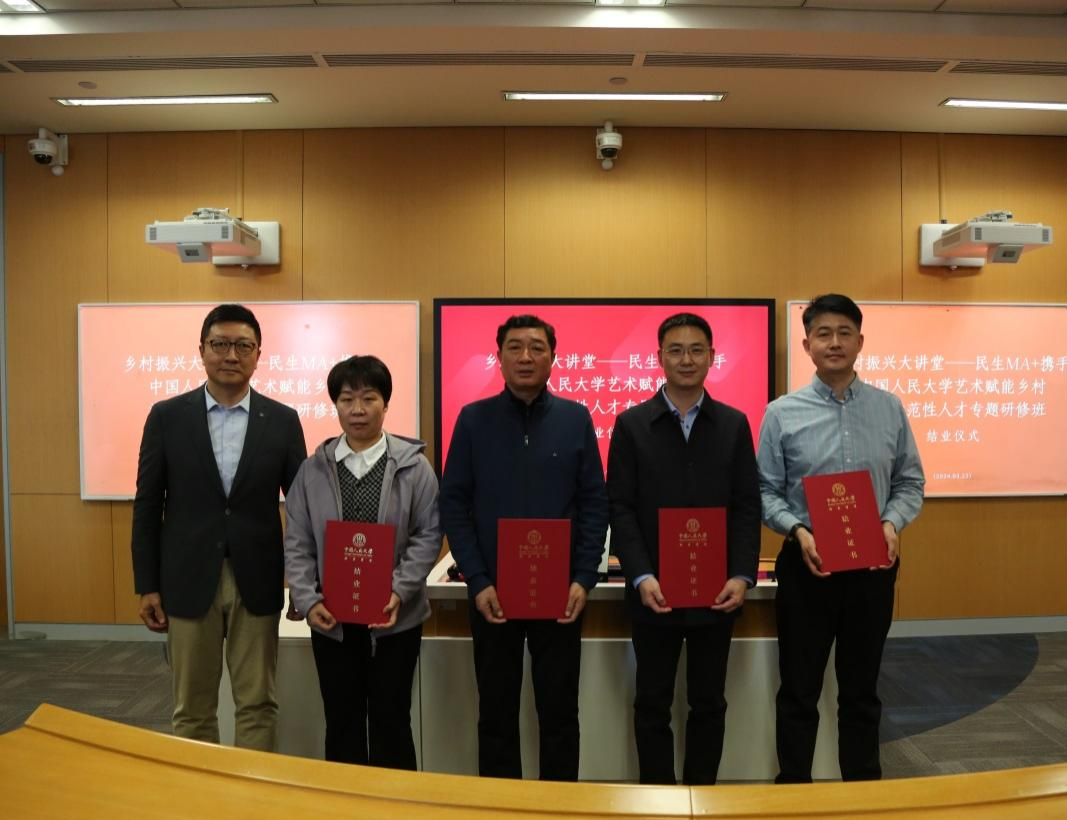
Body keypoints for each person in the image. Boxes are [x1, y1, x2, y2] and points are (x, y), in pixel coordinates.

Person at [757, 293, 925, 783]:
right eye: (823, 334)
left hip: (873, 569)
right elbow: (764, 490)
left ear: (860, 342)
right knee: (798, 690)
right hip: (807, 568)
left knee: (861, 690)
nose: (834, 342)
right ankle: (794, 790)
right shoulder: (781, 413)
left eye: (844, 333)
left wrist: (891, 523)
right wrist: (798, 529)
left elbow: (910, 482)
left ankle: (862, 790)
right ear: (807, 344)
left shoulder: (889, 409)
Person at [439, 314, 609, 781]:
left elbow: (594, 502)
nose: (526, 357)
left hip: (561, 595)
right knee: (495, 713)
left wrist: (583, 578)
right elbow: (454, 503)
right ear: (499, 357)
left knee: (560, 712)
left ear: (554, 357)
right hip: (492, 594)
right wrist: (477, 580)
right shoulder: (473, 420)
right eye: (515, 347)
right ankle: (502, 810)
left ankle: (560, 808)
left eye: (537, 347)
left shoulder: (575, 418)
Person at [131, 303, 307, 751]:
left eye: (243, 346)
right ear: (202, 350)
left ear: (258, 354)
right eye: (221, 344)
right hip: (187, 578)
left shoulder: (283, 420)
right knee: (191, 707)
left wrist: (305, 583)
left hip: (258, 579)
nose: (231, 355)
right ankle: (200, 792)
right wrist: (147, 585)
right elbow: (147, 505)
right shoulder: (167, 417)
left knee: (258, 703)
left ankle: (252, 790)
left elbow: (302, 509)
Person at [607, 312, 762, 786]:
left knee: (709, 703)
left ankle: (702, 796)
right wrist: (640, 575)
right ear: (659, 358)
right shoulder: (632, 425)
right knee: (651, 703)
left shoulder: (733, 424)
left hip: (717, 593)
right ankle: (659, 799)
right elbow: (620, 507)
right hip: (653, 592)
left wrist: (741, 574)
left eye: (697, 350)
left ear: (713, 357)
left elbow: (746, 505)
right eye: (675, 350)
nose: (687, 359)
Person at [283, 355, 441, 770]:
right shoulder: (312, 470)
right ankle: (345, 803)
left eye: (368, 398)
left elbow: (428, 535)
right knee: (341, 718)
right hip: (331, 619)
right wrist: (307, 599)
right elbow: (297, 541)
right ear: (334, 405)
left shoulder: (414, 468)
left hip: (395, 618)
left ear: (385, 404)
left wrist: (399, 591)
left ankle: (395, 803)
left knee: (392, 717)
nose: (357, 409)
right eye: (346, 399)